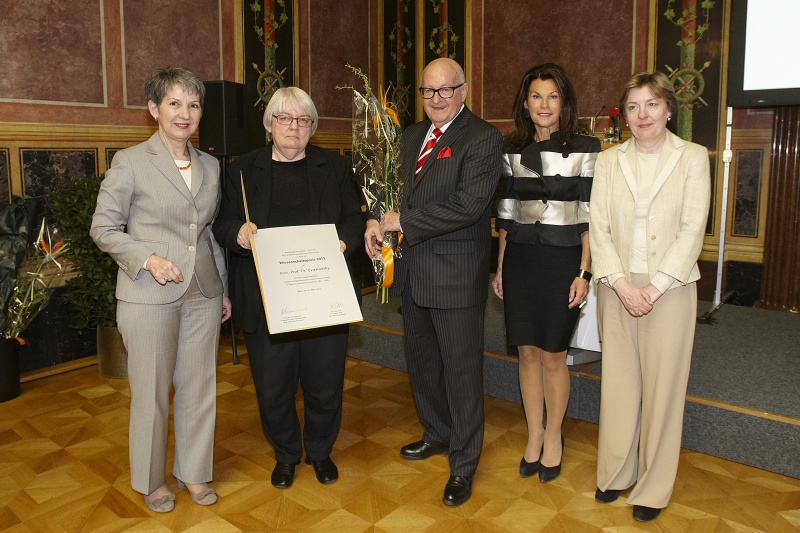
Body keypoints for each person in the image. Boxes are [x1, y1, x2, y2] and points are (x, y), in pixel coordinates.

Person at [91, 66, 232, 513]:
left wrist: (223, 289)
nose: (185, 113)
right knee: (151, 393)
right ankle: (152, 481)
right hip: (148, 294)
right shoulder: (130, 162)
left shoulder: (210, 164)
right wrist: (147, 259)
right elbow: (103, 228)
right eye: (174, 103)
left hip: (203, 293)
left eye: (193, 104)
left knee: (199, 387)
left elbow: (206, 233)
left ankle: (193, 471)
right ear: (154, 109)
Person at [365, 58, 503, 507]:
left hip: (457, 276)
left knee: (462, 374)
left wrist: (403, 220)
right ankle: (437, 432)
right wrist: (376, 222)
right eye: (428, 91)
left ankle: (463, 465)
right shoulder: (409, 137)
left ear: (464, 90)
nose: (437, 99)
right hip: (413, 272)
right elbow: (394, 194)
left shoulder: (482, 137)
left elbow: (469, 206)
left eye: (446, 90)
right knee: (423, 364)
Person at [213, 87, 364, 490]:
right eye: (285, 119)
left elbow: (353, 219)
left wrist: (343, 243)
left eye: (303, 120)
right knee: (274, 387)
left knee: (324, 383)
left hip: (322, 296)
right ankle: (285, 454)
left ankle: (319, 451)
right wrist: (239, 234)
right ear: (269, 125)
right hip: (266, 301)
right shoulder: (242, 169)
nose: (294, 127)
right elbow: (221, 224)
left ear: (312, 127)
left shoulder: (333, 167)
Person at [590, 71, 711, 522]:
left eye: (652, 104)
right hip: (616, 286)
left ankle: (653, 487)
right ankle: (616, 473)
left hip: (672, 289)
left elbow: (692, 228)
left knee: (664, 391)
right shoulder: (608, 160)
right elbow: (597, 227)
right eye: (635, 106)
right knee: (619, 385)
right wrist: (622, 284)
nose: (643, 115)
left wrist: (655, 288)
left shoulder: (694, 157)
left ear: (668, 109)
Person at [492, 63, 600, 483]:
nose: (544, 104)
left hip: (563, 261)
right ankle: (533, 434)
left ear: (564, 103)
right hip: (520, 259)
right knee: (526, 352)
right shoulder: (511, 149)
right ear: (525, 102)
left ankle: (554, 435)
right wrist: (500, 268)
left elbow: (591, 217)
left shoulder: (588, 148)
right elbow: (506, 214)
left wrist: (584, 272)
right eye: (536, 96)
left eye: (552, 96)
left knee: (554, 355)